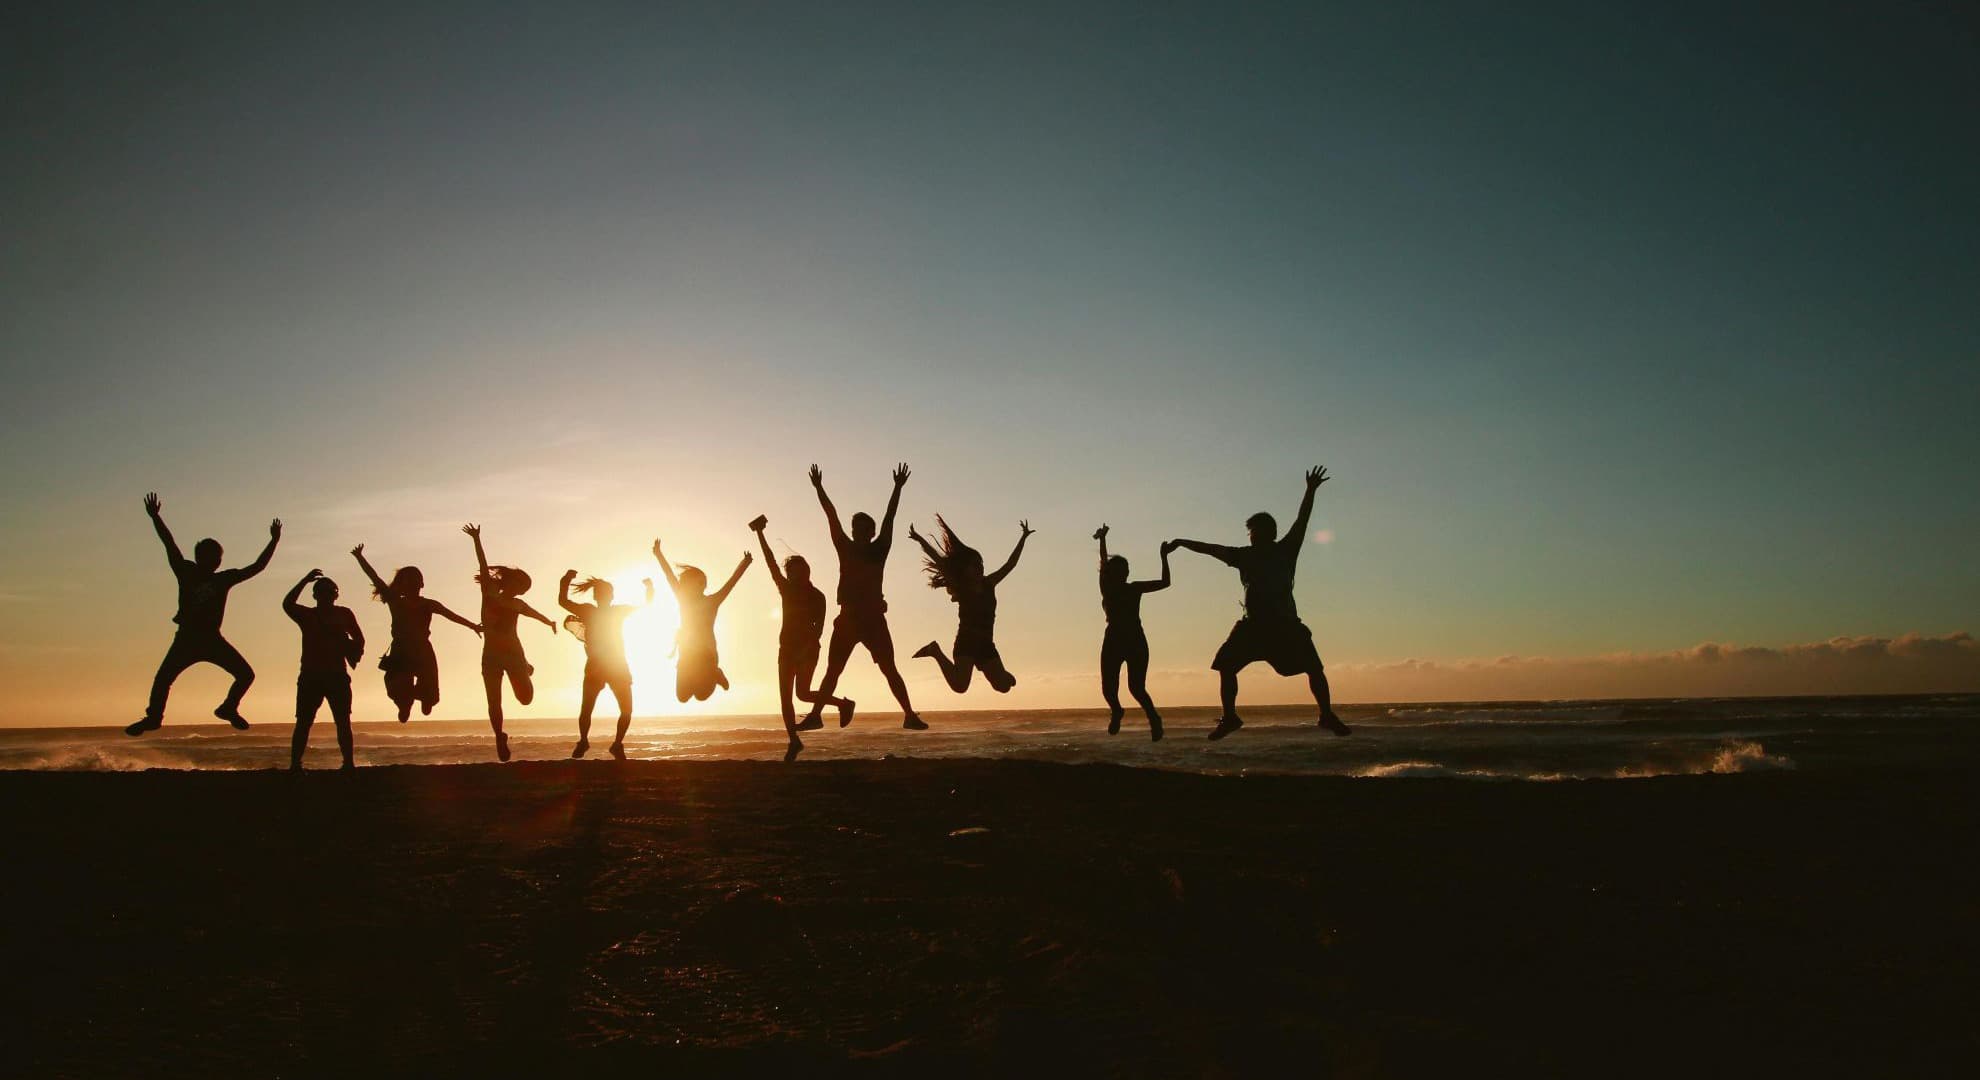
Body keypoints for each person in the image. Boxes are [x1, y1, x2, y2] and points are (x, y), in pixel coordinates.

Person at [1169, 466, 1350, 740]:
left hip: (1285, 625)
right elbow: (1210, 549)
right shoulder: (1244, 555)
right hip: (1252, 627)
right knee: (1226, 666)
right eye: (1250, 532)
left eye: (1253, 531)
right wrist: (1182, 542)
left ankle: (1326, 714)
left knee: (1314, 668)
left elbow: (1302, 519)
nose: (1250, 536)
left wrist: (1310, 491)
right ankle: (1230, 717)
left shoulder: (1285, 550)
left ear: (1267, 532)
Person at [129, 492, 280, 736]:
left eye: (217, 558)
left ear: (220, 561)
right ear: (199, 558)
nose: (215, 562)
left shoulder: (224, 579)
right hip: (187, 638)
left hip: (211, 639)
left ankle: (228, 708)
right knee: (163, 679)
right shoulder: (186, 571)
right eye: (210, 557)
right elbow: (169, 544)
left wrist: (274, 541)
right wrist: (156, 518)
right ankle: (154, 717)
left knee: (245, 674)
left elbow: (257, 567)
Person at [799, 463, 925, 730]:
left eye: (862, 528)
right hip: (847, 619)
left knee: (889, 669)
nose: (856, 531)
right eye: (854, 527)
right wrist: (819, 488)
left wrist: (897, 488)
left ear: (870, 532)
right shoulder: (844, 547)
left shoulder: (880, 549)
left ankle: (910, 715)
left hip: (873, 620)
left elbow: (890, 518)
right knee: (833, 671)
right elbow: (831, 516)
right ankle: (815, 716)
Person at [751, 515, 854, 761]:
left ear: (807, 571)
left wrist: (807, 648)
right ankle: (794, 741)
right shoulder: (786, 589)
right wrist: (760, 534)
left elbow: (819, 629)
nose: (795, 575)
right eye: (791, 572)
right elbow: (770, 563)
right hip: (786, 649)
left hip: (807, 650)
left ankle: (842, 704)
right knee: (788, 697)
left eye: (799, 571)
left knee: (803, 694)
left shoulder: (818, 596)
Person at [350, 544, 481, 722]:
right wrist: (360, 558)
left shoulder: (428, 604)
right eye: (409, 580)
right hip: (401, 650)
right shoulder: (396, 601)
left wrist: (472, 625)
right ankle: (405, 705)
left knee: (430, 694)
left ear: (422, 583)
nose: (413, 583)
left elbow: (451, 616)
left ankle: (424, 699)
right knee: (399, 689)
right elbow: (375, 578)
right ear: (402, 585)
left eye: (416, 579)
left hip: (422, 650)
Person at [463, 523, 557, 762]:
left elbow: (534, 613)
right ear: (510, 582)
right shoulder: (489, 594)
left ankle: (525, 668)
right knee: (494, 701)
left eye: (524, 589)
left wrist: (549, 623)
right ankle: (499, 737)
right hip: (491, 657)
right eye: (520, 586)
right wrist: (476, 539)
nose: (521, 592)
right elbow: (483, 567)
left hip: (514, 655)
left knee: (525, 699)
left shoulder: (517, 605)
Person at [909, 517, 1032, 694]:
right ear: (964, 568)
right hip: (966, 642)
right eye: (974, 565)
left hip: (986, 643)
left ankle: (999, 674)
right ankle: (935, 651)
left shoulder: (989, 583)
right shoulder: (961, 586)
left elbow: (1010, 564)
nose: (979, 567)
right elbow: (939, 560)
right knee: (960, 686)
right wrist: (920, 539)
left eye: (980, 564)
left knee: (1003, 687)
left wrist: (1023, 537)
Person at [559, 570, 651, 760]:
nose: (604, 596)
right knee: (592, 708)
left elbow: (646, 605)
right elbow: (563, 602)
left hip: (614, 665)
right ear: (600, 596)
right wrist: (565, 580)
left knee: (622, 709)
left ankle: (614, 745)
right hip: (601, 665)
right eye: (602, 593)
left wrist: (650, 588)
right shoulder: (591, 611)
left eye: (605, 593)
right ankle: (587, 741)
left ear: (609, 596)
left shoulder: (610, 611)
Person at [1093, 525, 1171, 740]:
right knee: (1108, 689)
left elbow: (1165, 583)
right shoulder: (1106, 587)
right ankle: (1117, 711)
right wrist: (1102, 540)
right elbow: (1102, 563)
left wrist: (1163, 557)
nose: (1121, 574)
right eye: (1116, 571)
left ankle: (1154, 719)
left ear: (1127, 573)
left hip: (1135, 640)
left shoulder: (1134, 588)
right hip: (1113, 640)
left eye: (1124, 571)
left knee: (1136, 688)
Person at [281, 568, 364, 770]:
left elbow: (360, 639)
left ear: (335, 594)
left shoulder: (344, 614)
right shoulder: (308, 615)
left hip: (336, 674)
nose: (327, 595)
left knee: (343, 722)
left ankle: (348, 763)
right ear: (316, 595)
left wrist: (348, 646)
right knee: (304, 722)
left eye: (330, 591)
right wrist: (304, 580)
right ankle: (295, 764)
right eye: (323, 591)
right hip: (311, 675)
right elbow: (287, 604)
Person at [652, 538, 751, 703]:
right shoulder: (682, 598)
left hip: (706, 655)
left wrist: (745, 563)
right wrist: (658, 554)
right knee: (683, 697)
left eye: (700, 582)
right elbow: (669, 576)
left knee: (702, 695)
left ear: (703, 585)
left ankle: (716, 674)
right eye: (686, 583)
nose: (684, 585)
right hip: (686, 654)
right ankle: (710, 676)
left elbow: (731, 583)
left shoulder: (712, 601)